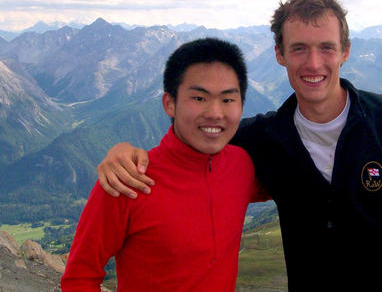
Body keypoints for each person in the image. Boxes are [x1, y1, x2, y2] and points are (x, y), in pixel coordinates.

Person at [97, 0, 382, 291]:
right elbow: (190, 148)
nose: (313, 63)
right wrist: (126, 153)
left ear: (345, 51)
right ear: (279, 54)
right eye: (299, 49)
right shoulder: (262, 139)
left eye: (326, 47)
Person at [61, 38, 267, 291]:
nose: (215, 112)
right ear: (169, 103)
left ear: (242, 105)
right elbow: (79, 277)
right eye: (199, 98)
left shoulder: (242, 166)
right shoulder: (127, 179)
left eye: (228, 100)